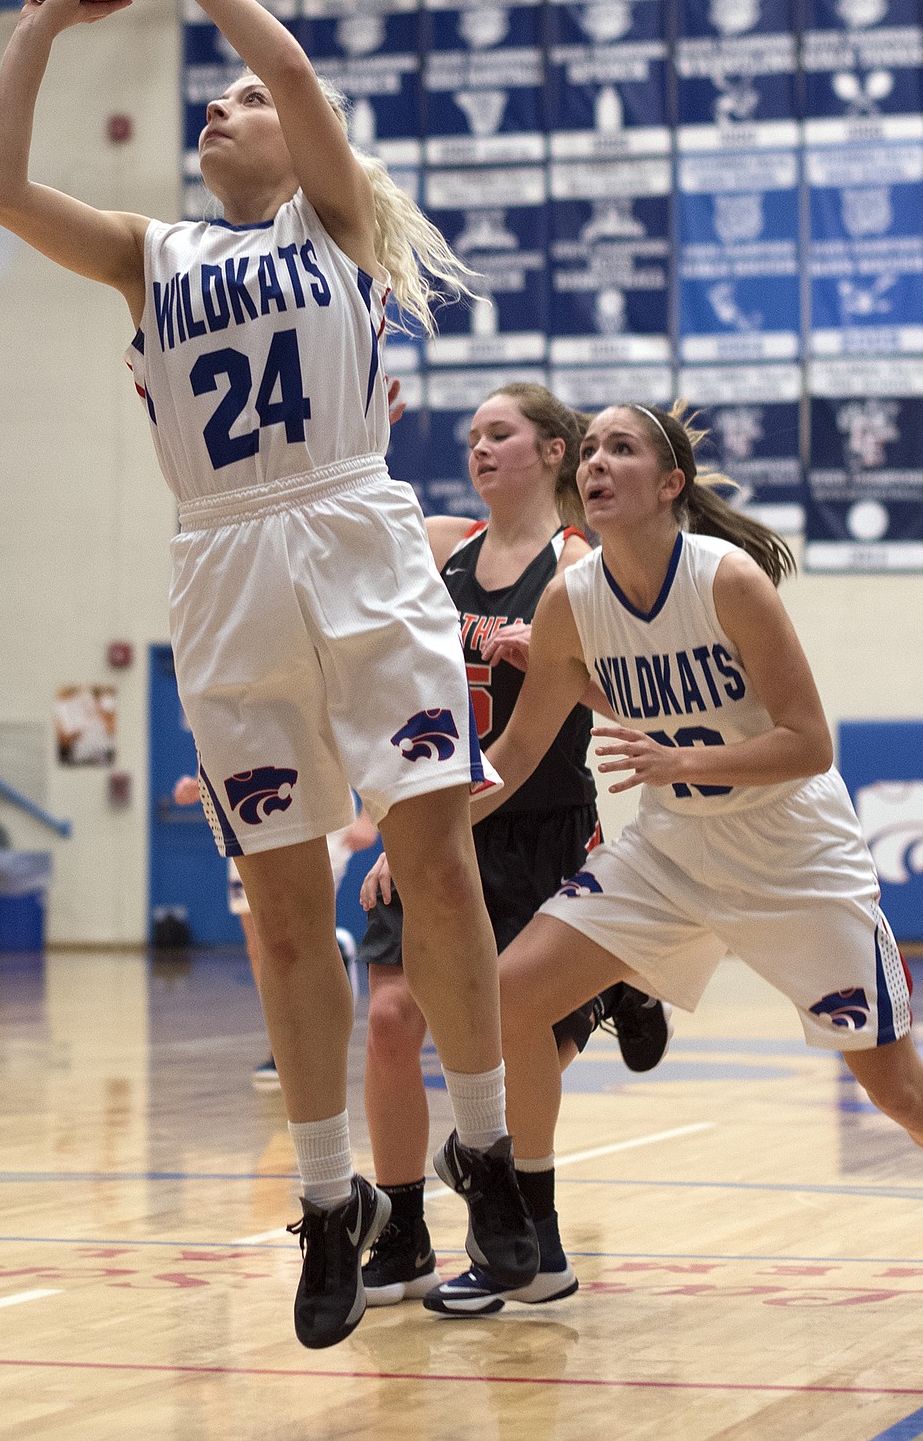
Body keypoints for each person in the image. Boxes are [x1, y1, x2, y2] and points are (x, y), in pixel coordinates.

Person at [0, 0, 540, 1350]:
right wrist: (41, 17)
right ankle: (323, 1198)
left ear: (297, 147)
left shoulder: (331, 224)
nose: (219, 107)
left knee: (432, 863)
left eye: (238, 102)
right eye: (205, 101)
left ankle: (484, 1151)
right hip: (221, 559)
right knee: (282, 912)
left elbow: (284, 59)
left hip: (351, 530)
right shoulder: (152, 256)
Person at [464, 402, 923, 1253]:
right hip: (672, 850)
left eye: (622, 449)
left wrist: (679, 762)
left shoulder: (726, 579)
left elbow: (809, 741)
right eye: (591, 452)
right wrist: (414, 834)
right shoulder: (569, 601)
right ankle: (531, 1241)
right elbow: (518, 747)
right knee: (512, 993)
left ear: (670, 482)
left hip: (792, 855)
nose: (597, 464)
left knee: (900, 1092)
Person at [356, 383, 669, 1316]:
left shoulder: (581, 563)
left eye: (501, 433)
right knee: (390, 1023)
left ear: (555, 451)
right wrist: (363, 420)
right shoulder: (445, 545)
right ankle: (403, 1229)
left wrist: (569, 660)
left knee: (506, 1033)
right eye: (472, 436)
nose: (481, 449)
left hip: (539, 815)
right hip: (444, 809)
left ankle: (520, 1200)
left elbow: (626, 699)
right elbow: (359, 512)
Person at [173, 774, 377, 1088]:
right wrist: (202, 785)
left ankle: (312, 1036)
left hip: (314, 800)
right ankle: (283, 1046)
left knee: (300, 930)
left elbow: (352, 732)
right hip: (245, 809)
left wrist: (370, 815)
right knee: (260, 942)